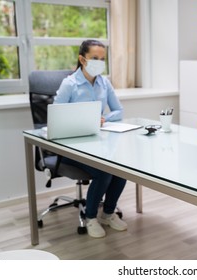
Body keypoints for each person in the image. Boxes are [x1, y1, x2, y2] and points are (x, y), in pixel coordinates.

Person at [54, 39, 128, 238]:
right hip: (71, 147)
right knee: (104, 171)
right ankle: (90, 218)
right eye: (94, 58)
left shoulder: (105, 83)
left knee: (121, 169)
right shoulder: (69, 84)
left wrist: (103, 119)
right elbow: (55, 116)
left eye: (102, 59)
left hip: (98, 144)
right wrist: (85, 120)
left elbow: (119, 111)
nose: (99, 62)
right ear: (82, 59)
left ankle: (108, 214)